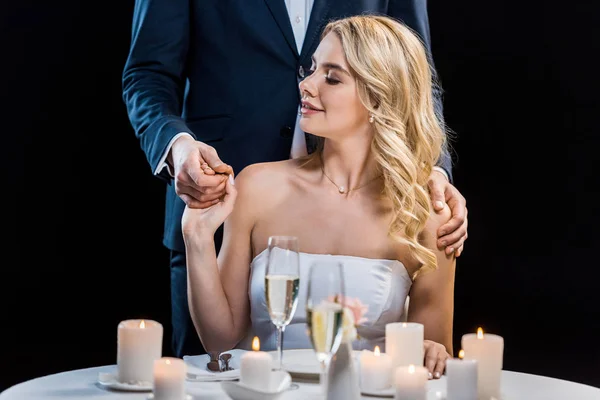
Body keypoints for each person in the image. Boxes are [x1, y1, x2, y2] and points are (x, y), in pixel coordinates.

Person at [122, 0, 468, 359]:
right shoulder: (255, 187)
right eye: (313, 69)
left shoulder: (425, 218)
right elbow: (221, 346)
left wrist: (433, 171)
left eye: (332, 77)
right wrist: (194, 223)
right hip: (220, 196)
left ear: (380, 96)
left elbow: (419, 79)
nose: (305, 84)